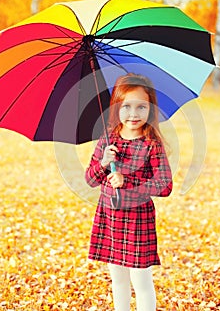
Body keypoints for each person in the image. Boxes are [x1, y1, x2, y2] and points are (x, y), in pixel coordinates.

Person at [85, 73, 173, 311]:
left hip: (137, 220)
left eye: (141, 107)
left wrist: (128, 181)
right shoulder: (108, 139)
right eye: (127, 107)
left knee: (140, 279)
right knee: (118, 279)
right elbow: (90, 179)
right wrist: (103, 163)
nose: (134, 114)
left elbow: (165, 185)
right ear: (116, 108)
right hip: (110, 218)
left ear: (150, 108)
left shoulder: (151, 143)